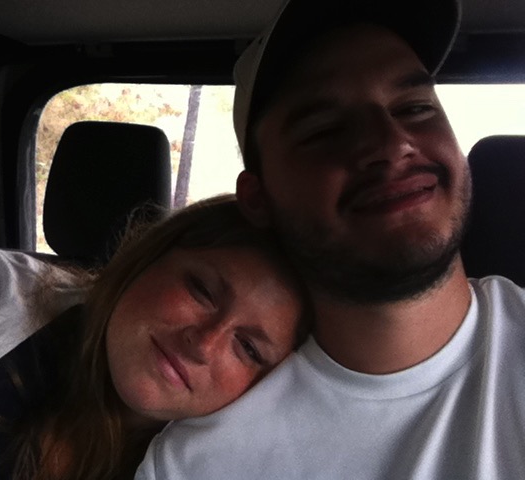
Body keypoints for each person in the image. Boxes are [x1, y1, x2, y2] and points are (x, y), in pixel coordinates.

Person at [135, 0, 525, 479]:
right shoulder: (195, 464)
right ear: (259, 199)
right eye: (325, 130)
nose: (393, 144)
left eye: (415, 107)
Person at [0, 194, 310, 479]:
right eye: (202, 291)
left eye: (248, 348)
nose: (203, 344)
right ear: (150, 258)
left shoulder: (224, 464)